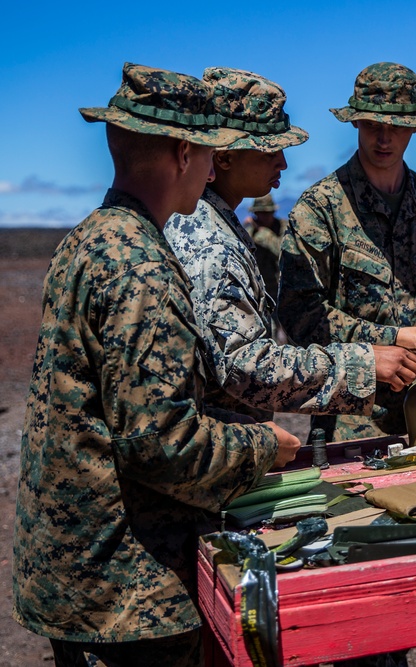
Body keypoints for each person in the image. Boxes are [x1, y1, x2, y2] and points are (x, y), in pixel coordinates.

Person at [13, 62, 301, 667]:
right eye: (207, 151)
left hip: (81, 575)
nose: (212, 165)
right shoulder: (140, 266)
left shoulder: (90, 238)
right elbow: (160, 443)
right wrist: (258, 446)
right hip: (128, 597)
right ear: (181, 152)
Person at [163, 67, 416, 427]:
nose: (283, 163)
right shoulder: (208, 242)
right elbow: (242, 365)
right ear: (223, 157)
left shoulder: (216, 225)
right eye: (270, 150)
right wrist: (364, 363)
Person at [277, 62, 416, 442]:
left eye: (397, 127)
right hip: (352, 421)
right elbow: (300, 315)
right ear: (355, 123)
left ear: (414, 127)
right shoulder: (321, 208)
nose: (384, 139)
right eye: (373, 126)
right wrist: (390, 337)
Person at [245, 193, 284, 301]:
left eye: (268, 213)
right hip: (260, 289)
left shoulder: (284, 228)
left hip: (282, 288)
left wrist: (263, 233)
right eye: (261, 213)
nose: (266, 217)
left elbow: (282, 251)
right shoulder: (250, 233)